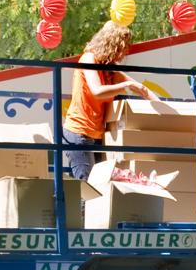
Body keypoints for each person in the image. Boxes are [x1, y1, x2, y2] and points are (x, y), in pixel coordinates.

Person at [62, 21, 155, 180]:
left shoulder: (110, 69)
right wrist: (125, 85)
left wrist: (168, 111)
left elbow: (141, 89)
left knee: (101, 185)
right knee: (87, 186)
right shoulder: (89, 59)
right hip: (79, 132)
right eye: (120, 49)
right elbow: (97, 91)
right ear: (110, 44)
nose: (122, 55)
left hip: (97, 136)